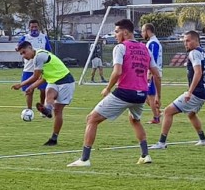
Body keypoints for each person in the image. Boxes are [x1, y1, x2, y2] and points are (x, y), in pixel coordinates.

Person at [67, 19, 161, 167]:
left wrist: (108, 88)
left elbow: (117, 71)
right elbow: (157, 74)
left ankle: (84, 159)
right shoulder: (145, 49)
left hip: (125, 92)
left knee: (91, 119)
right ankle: (145, 155)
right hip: (141, 94)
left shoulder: (121, 47)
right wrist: (157, 97)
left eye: (117, 32)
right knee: (135, 120)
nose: (115, 35)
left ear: (125, 32)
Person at [150, 30, 205, 149]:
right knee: (191, 114)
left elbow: (198, 73)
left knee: (168, 112)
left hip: (196, 93)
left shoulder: (194, 53)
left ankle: (161, 143)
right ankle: (203, 139)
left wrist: (190, 92)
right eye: (184, 41)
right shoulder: (204, 53)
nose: (185, 43)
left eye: (188, 40)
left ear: (196, 40)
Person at [11, 41, 76, 146]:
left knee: (58, 110)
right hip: (53, 81)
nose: (23, 56)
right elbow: (43, 78)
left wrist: (21, 85)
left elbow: (36, 76)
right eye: (21, 54)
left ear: (30, 48)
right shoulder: (38, 57)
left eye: (24, 52)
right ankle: (48, 110)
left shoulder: (39, 56)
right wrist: (31, 87)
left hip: (66, 82)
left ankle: (54, 138)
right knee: (49, 94)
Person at [17, 20, 52, 113]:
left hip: (42, 69)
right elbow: (19, 47)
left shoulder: (44, 37)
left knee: (43, 90)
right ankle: (29, 110)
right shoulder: (25, 38)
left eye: (35, 27)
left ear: (39, 27)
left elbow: (49, 51)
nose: (34, 29)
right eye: (32, 27)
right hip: (28, 69)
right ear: (29, 28)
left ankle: (42, 109)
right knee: (29, 91)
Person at [141, 23, 163, 124]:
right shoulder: (152, 42)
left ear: (148, 31)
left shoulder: (153, 43)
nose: (142, 33)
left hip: (153, 74)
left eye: (143, 31)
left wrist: (149, 74)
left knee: (150, 96)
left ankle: (156, 117)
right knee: (147, 97)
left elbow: (151, 59)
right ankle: (158, 112)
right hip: (153, 73)